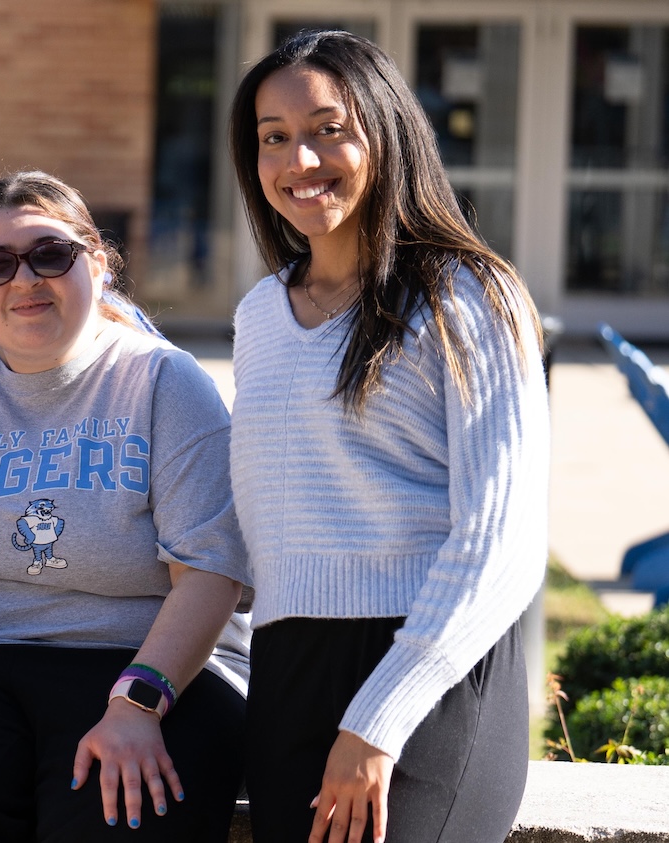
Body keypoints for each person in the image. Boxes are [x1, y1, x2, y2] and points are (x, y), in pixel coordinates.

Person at [0, 170, 253, 842]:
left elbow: (212, 569)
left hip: (150, 663)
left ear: (97, 262)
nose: (25, 280)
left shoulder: (164, 381)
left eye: (50, 255)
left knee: (120, 805)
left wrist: (138, 701)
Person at [227, 30, 549, 843]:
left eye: (330, 129)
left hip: (435, 670)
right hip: (290, 669)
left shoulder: (470, 294)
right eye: (274, 138)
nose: (300, 159)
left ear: (387, 130)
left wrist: (377, 719)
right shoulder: (260, 315)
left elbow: (499, 540)